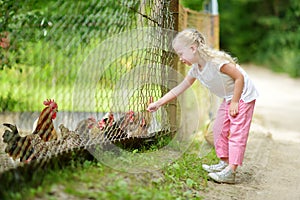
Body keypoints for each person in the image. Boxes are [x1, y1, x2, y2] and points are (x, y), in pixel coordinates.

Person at [147, 28, 259, 184]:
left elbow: (239, 77)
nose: (180, 58)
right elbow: (179, 88)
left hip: (243, 96)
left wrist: (235, 101)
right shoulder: (195, 70)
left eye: (181, 53)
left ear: (192, 49)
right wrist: (158, 103)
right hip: (229, 97)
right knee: (219, 129)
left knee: (236, 132)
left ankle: (231, 172)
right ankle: (225, 163)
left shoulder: (216, 63)